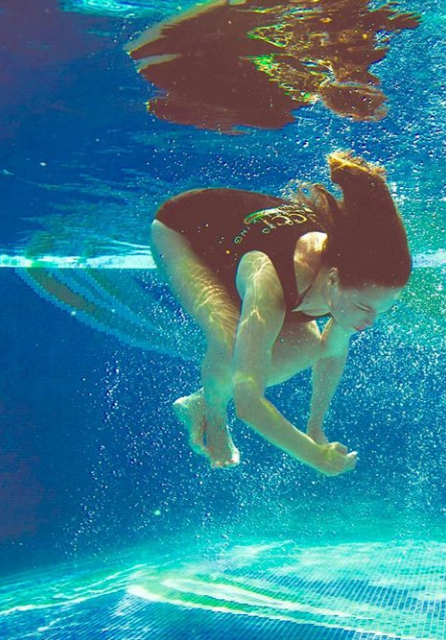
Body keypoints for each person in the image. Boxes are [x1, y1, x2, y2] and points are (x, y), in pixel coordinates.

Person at [150, 150, 412, 477]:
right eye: (364, 308)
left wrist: (315, 427)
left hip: (245, 243)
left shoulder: (350, 276)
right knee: (230, 346)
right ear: (332, 279)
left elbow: (332, 352)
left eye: (382, 310)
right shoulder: (269, 283)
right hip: (182, 228)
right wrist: (316, 457)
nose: (370, 321)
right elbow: (249, 401)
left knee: (307, 348)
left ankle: (199, 399)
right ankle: (212, 415)